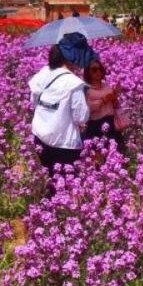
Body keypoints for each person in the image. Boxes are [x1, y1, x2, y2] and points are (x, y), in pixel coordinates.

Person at [28, 43, 90, 189]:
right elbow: (80, 117)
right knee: (66, 185)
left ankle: (48, 207)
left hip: (40, 136)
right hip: (63, 143)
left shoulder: (43, 73)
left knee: (50, 178)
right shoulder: (74, 83)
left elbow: (33, 100)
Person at [84, 58, 125, 149]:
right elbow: (87, 108)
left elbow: (114, 105)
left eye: (100, 69)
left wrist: (115, 98)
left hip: (111, 122)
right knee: (98, 155)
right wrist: (103, 100)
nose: (98, 72)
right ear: (88, 72)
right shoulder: (87, 89)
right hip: (96, 125)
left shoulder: (106, 86)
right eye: (94, 70)